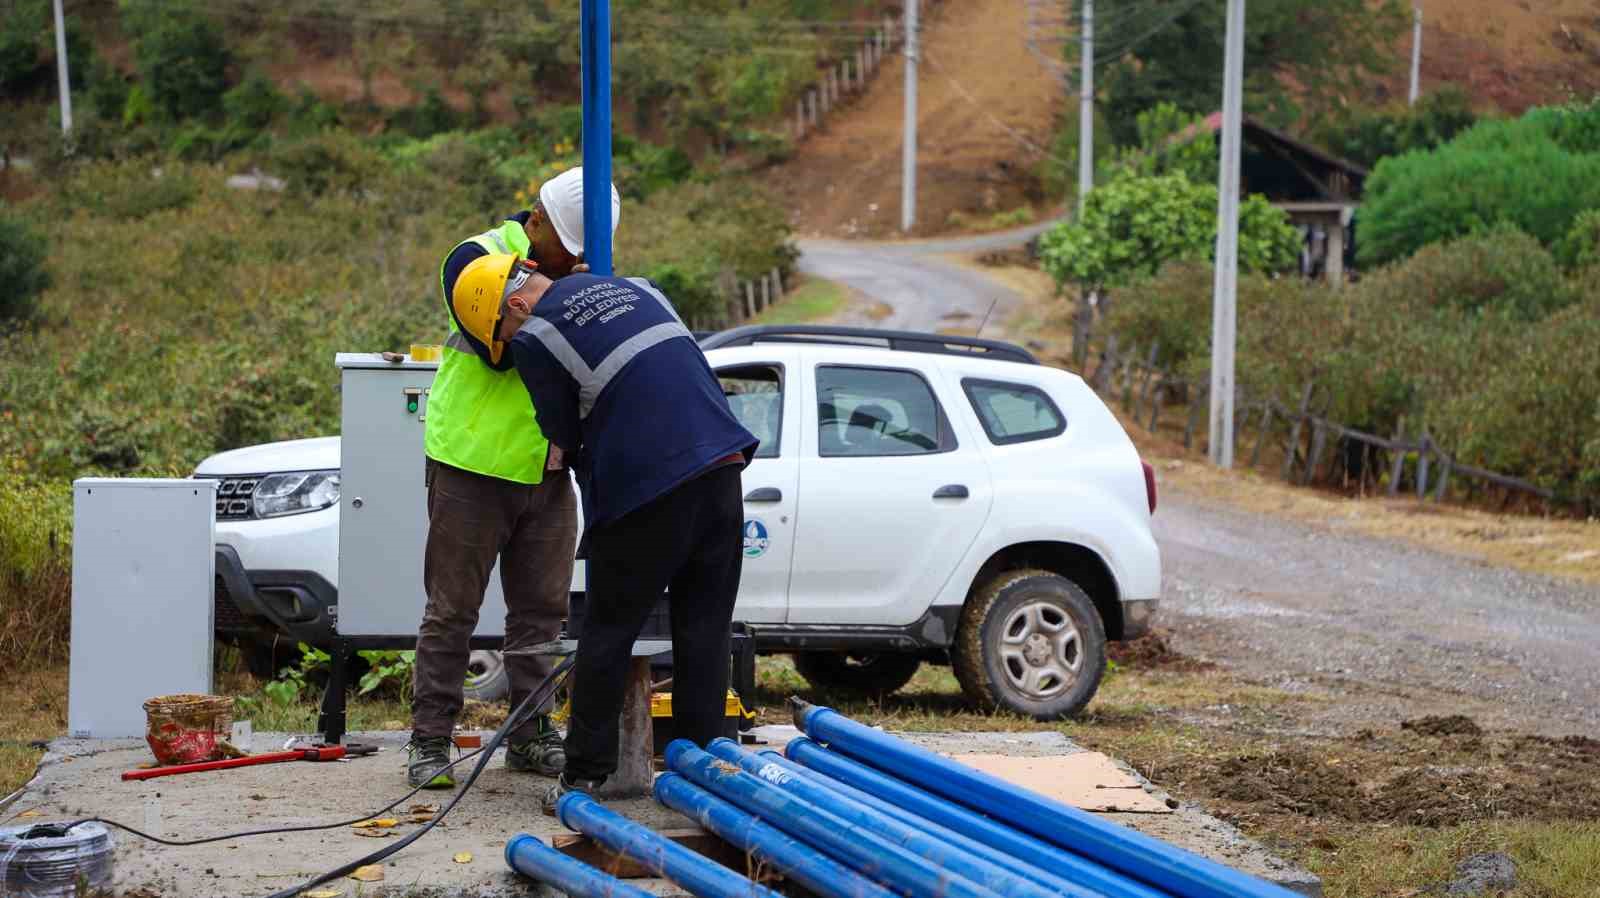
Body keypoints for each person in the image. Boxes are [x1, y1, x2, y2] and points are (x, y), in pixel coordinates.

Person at [445, 253, 756, 811]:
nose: (511, 349)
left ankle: (584, 776)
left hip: (646, 489)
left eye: (503, 336)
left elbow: (561, 433)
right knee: (704, 630)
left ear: (515, 305)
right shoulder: (639, 286)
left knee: (607, 636)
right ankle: (703, 770)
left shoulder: (537, 335)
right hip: (723, 466)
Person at [407, 168, 621, 790]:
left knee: (542, 615)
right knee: (452, 611)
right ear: (540, 223)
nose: (584, 259)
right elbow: (505, 345)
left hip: (548, 470)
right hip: (472, 464)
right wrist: (570, 296)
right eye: (573, 246)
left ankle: (529, 735)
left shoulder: (579, 271)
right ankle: (429, 740)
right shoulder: (475, 258)